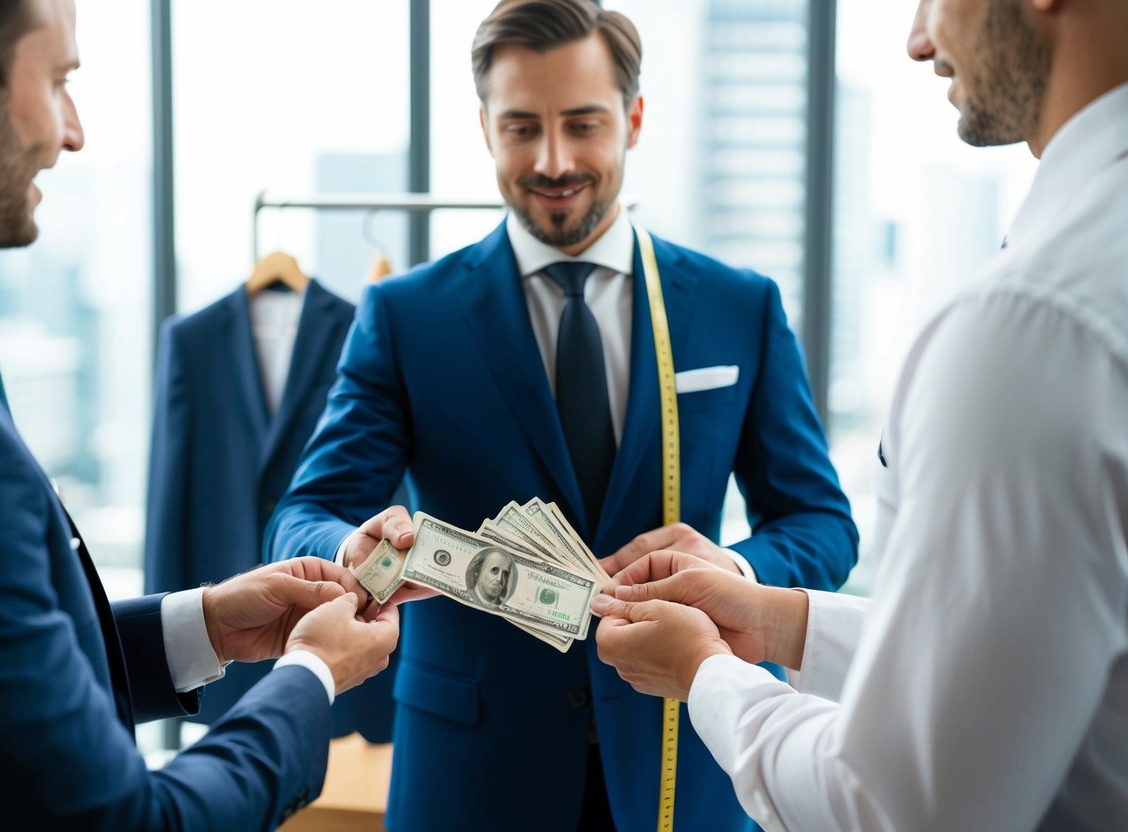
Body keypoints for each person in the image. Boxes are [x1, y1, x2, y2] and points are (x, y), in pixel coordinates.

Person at [266, 2, 857, 830]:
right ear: (483, 128)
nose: (552, 160)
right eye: (521, 128)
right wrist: (345, 548)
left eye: (582, 124)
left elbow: (820, 523)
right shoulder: (405, 315)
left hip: (686, 757)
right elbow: (304, 512)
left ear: (633, 120)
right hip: (471, 779)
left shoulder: (738, 307)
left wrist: (734, 573)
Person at [592, 0, 1128, 829]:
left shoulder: (1033, 321)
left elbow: (893, 806)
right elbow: (1024, 644)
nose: (918, 38)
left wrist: (704, 673)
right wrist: (779, 622)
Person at [0, 1, 401, 828]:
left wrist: (202, 626)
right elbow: (128, 820)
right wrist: (311, 674)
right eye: (58, 80)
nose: (73, 132)